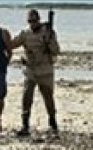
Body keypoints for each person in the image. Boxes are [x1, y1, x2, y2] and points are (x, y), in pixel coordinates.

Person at [10, 8, 61, 137]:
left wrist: (50, 39)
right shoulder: (25, 34)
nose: (32, 24)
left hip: (45, 70)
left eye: (34, 21)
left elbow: (56, 50)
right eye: (30, 21)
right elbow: (12, 44)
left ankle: (52, 122)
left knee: (48, 97)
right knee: (26, 97)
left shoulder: (47, 32)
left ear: (38, 20)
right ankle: (25, 124)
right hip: (31, 70)